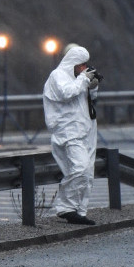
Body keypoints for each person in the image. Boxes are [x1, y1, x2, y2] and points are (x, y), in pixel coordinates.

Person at [43, 45, 100, 225]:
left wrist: (93, 86)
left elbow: (85, 99)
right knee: (80, 168)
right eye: (81, 65)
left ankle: (79, 211)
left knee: (87, 173)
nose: (84, 68)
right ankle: (66, 208)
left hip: (85, 129)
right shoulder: (57, 76)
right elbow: (66, 93)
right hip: (68, 132)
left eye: (85, 65)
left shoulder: (78, 79)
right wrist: (84, 79)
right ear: (72, 62)